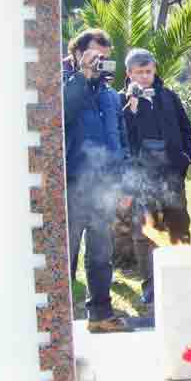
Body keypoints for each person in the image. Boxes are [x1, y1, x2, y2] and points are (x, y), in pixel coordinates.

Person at [118, 48, 191, 306]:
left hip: (171, 173)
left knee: (179, 225)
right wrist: (132, 109)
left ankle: (181, 282)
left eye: (148, 71)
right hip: (142, 177)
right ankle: (150, 286)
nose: (145, 77)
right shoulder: (121, 101)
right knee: (145, 233)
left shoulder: (169, 97)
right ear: (129, 73)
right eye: (139, 72)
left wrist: (185, 159)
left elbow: (186, 129)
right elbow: (121, 137)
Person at [63, 38, 128, 332]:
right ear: (77, 54)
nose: (99, 63)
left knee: (101, 254)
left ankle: (100, 315)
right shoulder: (63, 85)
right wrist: (82, 77)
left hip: (105, 187)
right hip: (72, 185)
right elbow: (61, 114)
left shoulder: (111, 95)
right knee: (67, 254)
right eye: (94, 56)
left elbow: (122, 140)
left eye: (104, 57)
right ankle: (58, 321)